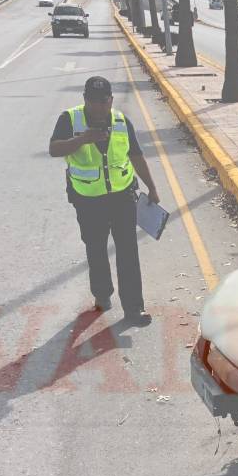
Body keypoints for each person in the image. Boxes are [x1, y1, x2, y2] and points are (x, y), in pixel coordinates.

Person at [49, 76, 160, 326]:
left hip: (122, 198)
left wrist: (152, 187)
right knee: (96, 248)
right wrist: (82, 139)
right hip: (88, 201)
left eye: (104, 101)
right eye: (93, 101)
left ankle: (134, 309)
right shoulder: (70, 119)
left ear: (110, 100)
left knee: (128, 251)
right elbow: (54, 149)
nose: (99, 106)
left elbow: (136, 155)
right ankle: (102, 293)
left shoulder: (121, 121)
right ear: (85, 100)